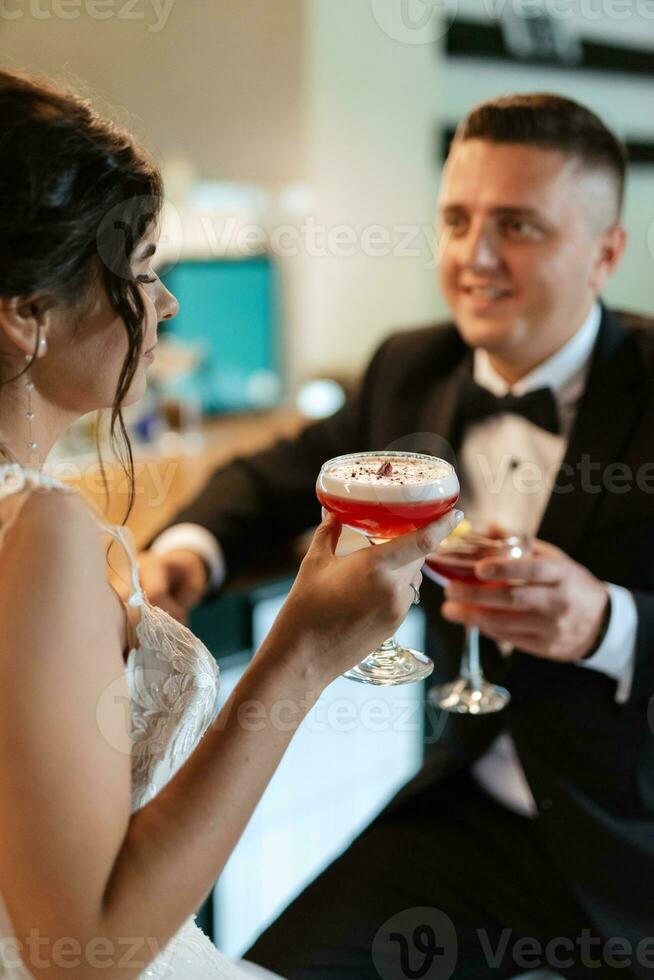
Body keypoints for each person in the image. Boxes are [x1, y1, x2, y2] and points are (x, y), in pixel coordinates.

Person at [139, 94, 654, 980]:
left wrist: (609, 627)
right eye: (457, 219)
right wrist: (187, 551)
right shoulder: (409, 367)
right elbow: (270, 475)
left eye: (518, 226)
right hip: (466, 822)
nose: (473, 257)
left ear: (608, 251)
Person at [0, 68, 462, 980]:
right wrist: (302, 653)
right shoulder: (41, 534)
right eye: (140, 274)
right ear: (26, 313)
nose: (165, 304)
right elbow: (82, 952)